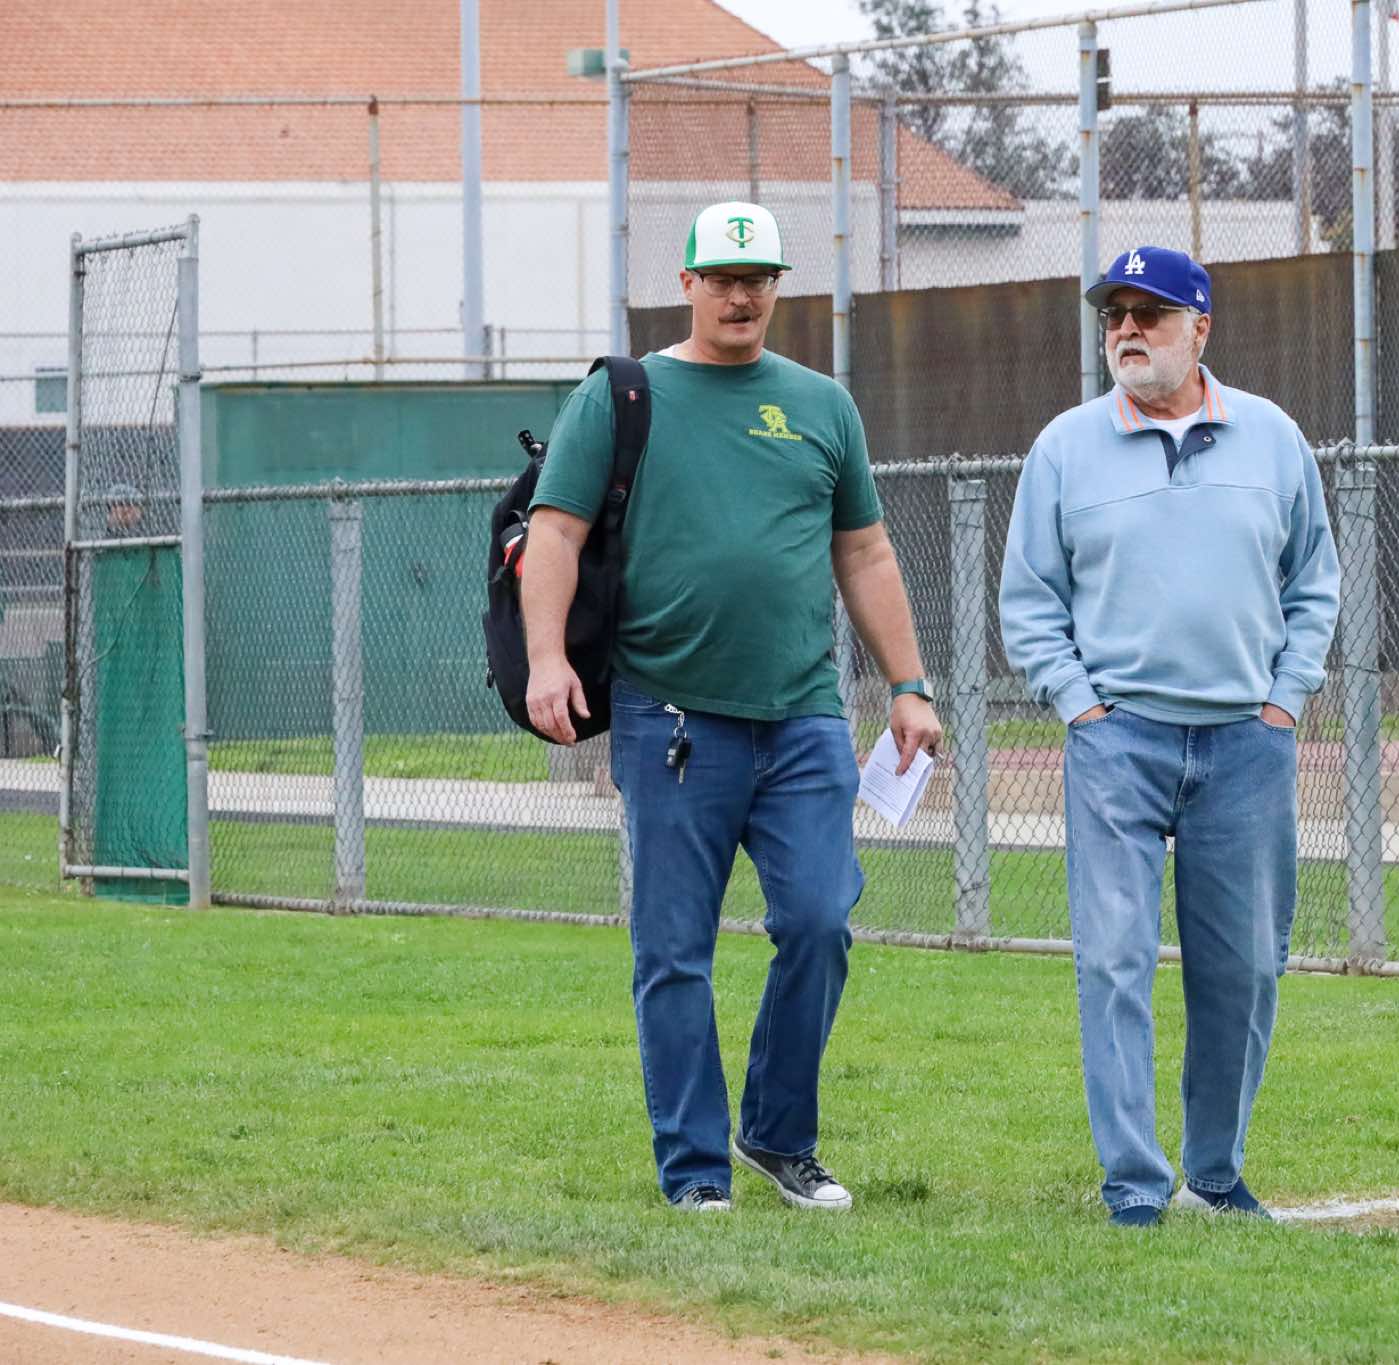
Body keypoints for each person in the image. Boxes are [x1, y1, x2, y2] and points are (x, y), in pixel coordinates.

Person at [522, 201, 943, 1209]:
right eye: (722, 278)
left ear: (776, 287)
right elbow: (556, 532)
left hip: (802, 717)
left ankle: (777, 1136)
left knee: (819, 921)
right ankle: (695, 1170)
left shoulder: (820, 405)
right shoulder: (624, 395)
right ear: (688, 285)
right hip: (671, 717)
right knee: (674, 951)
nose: (741, 296)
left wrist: (908, 683)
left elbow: (864, 552)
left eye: (757, 279)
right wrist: (546, 659)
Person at [999, 245, 1340, 1224]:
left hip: (1244, 744)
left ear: (1200, 328)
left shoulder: (1272, 439)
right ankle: (1134, 1187)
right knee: (1113, 960)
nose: (1126, 331)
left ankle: (1216, 1175)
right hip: (1119, 745)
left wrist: (1283, 702)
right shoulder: (1064, 449)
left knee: (1243, 969)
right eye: (1114, 315)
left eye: (1148, 314)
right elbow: (1029, 599)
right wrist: (1080, 706)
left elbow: (1313, 581)